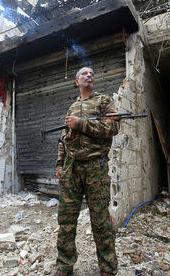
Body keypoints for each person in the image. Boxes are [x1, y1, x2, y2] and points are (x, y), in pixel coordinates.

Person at [54, 66, 119, 276]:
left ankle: (108, 269)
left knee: (100, 219)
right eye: (84, 73)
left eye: (91, 73)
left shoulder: (103, 101)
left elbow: (113, 128)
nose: (89, 75)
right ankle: (64, 265)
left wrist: (82, 125)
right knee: (66, 219)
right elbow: (63, 140)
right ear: (76, 81)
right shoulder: (72, 108)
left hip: (95, 165)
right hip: (72, 167)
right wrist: (60, 164)